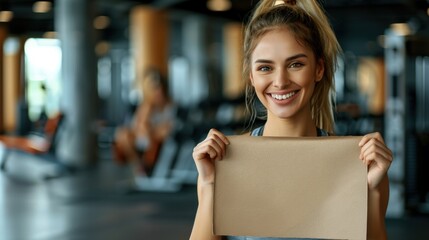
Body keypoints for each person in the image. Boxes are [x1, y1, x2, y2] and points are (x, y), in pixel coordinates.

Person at [190, 0, 393, 240]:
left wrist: (369, 192)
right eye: (265, 68)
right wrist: (211, 185)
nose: (280, 81)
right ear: (251, 77)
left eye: (296, 64)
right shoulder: (226, 163)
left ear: (319, 69)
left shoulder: (357, 166)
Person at [113, 68, 174, 176]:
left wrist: (149, 129)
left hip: (156, 136)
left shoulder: (170, 106)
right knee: (122, 134)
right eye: (154, 89)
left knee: (156, 133)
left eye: (158, 89)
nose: (157, 93)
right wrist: (147, 113)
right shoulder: (146, 106)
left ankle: (145, 165)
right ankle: (138, 165)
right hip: (144, 135)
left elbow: (168, 127)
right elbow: (138, 125)